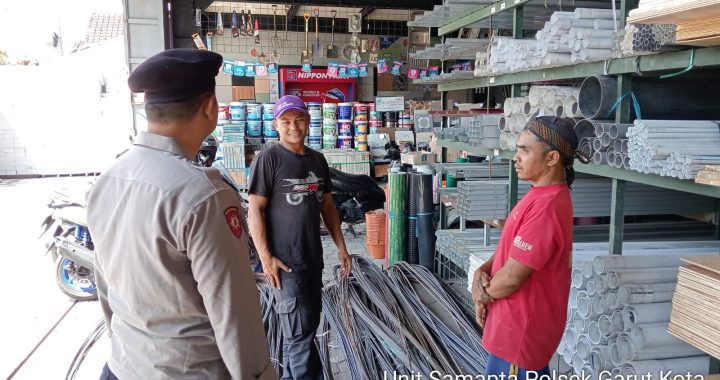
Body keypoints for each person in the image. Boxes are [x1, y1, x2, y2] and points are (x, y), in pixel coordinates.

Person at [86, 49, 277, 380]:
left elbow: (105, 287)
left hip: (121, 367)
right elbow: (233, 311)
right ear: (209, 108)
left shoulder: (107, 180)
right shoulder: (205, 196)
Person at [471, 116, 588, 377]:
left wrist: (480, 294)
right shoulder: (539, 195)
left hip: (520, 337)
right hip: (511, 332)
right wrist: (482, 271)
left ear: (552, 159)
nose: (516, 157)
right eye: (517, 149)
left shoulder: (548, 207)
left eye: (524, 150)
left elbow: (512, 278)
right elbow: (510, 249)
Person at [248, 95, 352, 380]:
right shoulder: (268, 159)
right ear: (276, 125)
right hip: (284, 264)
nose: (293, 127)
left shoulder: (318, 160)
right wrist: (266, 258)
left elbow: (327, 206)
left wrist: (341, 247)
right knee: (299, 337)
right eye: (286, 121)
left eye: (299, 120)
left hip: (312, 259)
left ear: (308, 122)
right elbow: (254, 210)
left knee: (308, 326)